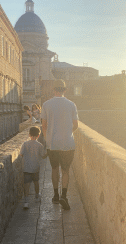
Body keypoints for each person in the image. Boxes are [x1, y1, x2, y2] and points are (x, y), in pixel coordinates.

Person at [41, 79, 79, 210]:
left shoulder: (46, 104)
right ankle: (64, 195)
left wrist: (48, 140)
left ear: (54, 90)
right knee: (66, 170)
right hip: (68, 143)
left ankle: (56, 195)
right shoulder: (71, 104)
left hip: (52, 143)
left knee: (55, 169)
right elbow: (76, 125)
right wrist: (67, 133)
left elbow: (44, 126)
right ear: (65, 90)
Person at [20, 126, 47, 209]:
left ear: (29, 135)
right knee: (36, 182)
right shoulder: (40, 145)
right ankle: (36, 196)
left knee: (27, 184)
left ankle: (26, 201)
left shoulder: (25, 144)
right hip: (35, 167)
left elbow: (21, 154)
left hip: (26, 167)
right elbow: (43, 156)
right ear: (38, 136)